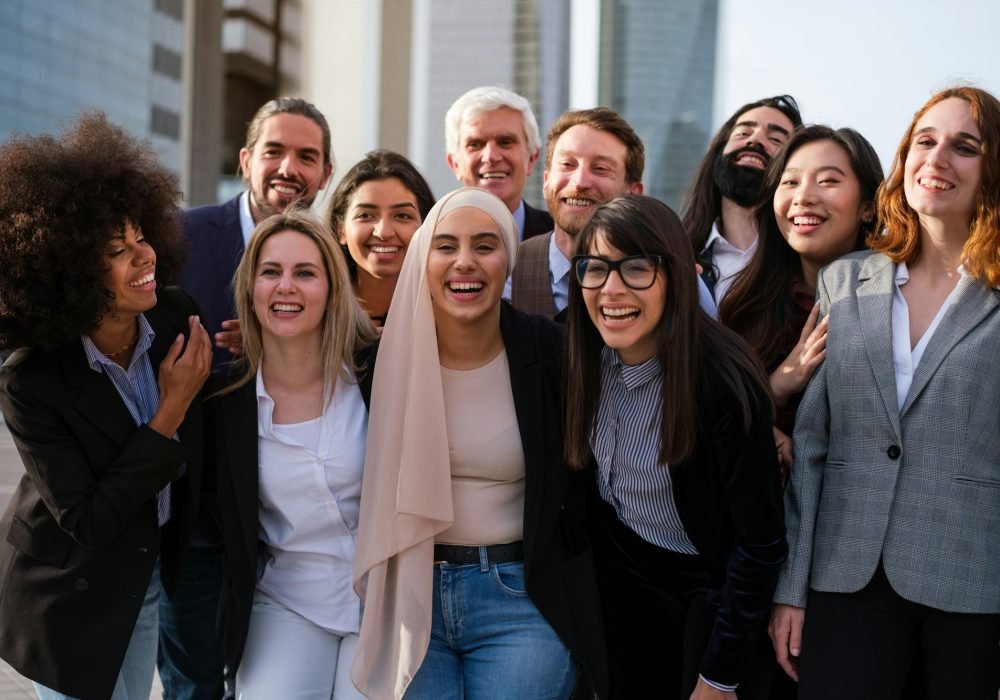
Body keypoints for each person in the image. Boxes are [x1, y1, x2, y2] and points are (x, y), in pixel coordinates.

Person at [769, 86, 1000, 699]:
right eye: (924, 141)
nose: (938, 158)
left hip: (974, 585)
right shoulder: (846, 281)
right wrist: (791, 587)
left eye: (965, 146)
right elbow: (813, 446)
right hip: (844, 577)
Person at [352, 187, 607, 699]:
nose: (464, 262)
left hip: (520, 598)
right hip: (409, 592)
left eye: (485, 246)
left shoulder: (553, 352)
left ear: (509, 260)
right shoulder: (380, 364)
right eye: (445, 246)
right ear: (424, 258)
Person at [0, 112, 212, 700]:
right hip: (68, 592)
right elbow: (88, 520)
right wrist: (169, 411)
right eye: (116, 251)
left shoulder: (172, 315)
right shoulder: (30, 381)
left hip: (142, 577)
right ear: (66, 272)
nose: (143, 255)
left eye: (140, 235)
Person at [564, 194, 786, 699]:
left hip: (701, 611)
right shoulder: (581, 360)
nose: (611, 289)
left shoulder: (722, 384)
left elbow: (760, 545)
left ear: (677, 276)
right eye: (594, 268)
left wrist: (719, 674)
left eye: (636, 267)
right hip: (617, 601)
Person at [169, 96, 335, 700]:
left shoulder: (333, 259)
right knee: (194, 685)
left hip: (292, 534)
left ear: (326, 173)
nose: (289, 167)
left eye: (307, 156)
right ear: (246, 160)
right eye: (275, 151)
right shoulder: (181, 238)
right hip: (199, 523)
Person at [209, 209, 377, 698]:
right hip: (287, 602)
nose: (286, 287)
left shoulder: (377, 375)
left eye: (305, 273)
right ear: (251, 289)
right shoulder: (222, 402)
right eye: (271, 272)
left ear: (331, 290)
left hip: (388, 603)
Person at [720, 125, 883, 465]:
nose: (803, 197)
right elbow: (709, 423)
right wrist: (777, 386)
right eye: (790, 182)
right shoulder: (744, 305)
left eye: (828, 181)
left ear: (868, 206)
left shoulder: (898, 305)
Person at [509, 107, 717, 321]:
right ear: (546, 182)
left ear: (634, 193)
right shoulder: (507, 271)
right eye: (567, 165)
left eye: (600, 168)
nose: (579, 182)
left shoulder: (673, 277)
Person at [682, 96, 803, 303]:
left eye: (775, 139)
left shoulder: (803, 267)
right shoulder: (678, 255)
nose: (754, 140)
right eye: (742, 133)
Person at [329, 149, 435, 327]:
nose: (384, 232)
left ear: (427, 226)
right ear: (340, 229)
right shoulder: (314, 314)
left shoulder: (448, 315)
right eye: (365, 215)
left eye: (402, 215)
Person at [445, 86, 552, 240]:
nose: (491, 156)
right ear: (454, 163)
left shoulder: (564, 239)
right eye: (475, 144)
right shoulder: (429, 241)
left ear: (532, 158)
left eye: (505, 142)